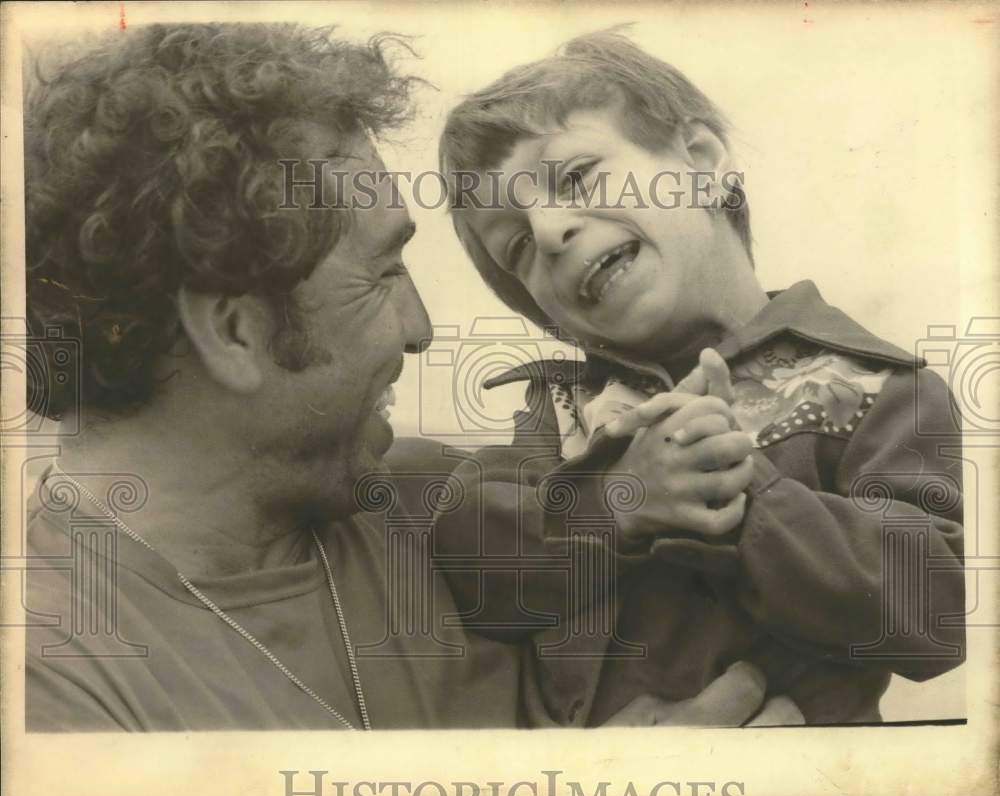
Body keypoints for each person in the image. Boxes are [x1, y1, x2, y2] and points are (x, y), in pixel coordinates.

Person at [21, 22, 796, 731]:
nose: (421, 328)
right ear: (233, 329)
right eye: (383, 272)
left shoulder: (462, 510)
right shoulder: (53, 684)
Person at [417, 29, 967, 725]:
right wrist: (617, 499)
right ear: (550, 316)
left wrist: (738, 495)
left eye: (576, 177)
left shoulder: (879, 389)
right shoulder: (557, 411)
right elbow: (469, 569)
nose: (551, 230)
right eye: (517, 244)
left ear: (701, 162)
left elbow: (942, 613)